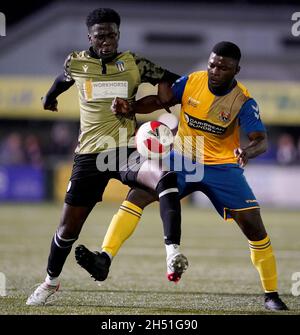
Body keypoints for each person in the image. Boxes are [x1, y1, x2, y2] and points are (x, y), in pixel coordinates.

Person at [76, 41, 288, 311]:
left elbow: (262, 141)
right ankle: (104, 258)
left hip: (222, 166)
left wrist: (246, 152)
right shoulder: (192, 81)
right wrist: (132, 107)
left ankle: (271, 294)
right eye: (212, 64)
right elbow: (162, 100)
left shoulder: (243, 101)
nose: (215, 70)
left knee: (254, 228)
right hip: (183, 156)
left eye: (223, 67)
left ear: (236, 69)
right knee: (138, 195)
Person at [26, 8, 188, 306]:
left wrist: (154, 103)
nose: (107, 41)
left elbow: (175, 83)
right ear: (90, 37)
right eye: (101, 36)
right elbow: (62, 80)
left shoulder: (135, 63)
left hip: (125, 151)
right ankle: (49, 283)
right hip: (88, 156)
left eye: (112, 34)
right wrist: (50, 98)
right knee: (67, 230)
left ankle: (173, 253)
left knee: (165, 178)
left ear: (118, 34)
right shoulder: (76, 62)